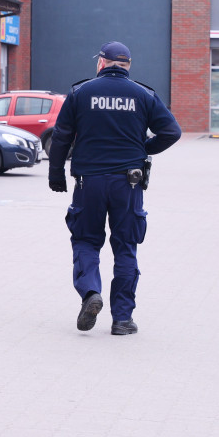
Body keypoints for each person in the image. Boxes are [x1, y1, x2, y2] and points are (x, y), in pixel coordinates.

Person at [48, 41, 182, 336]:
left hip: (89, 182)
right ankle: (122, 319)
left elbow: (61, 136)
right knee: (125, 247)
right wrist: (144, 148)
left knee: (85, 240)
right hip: (128, 183)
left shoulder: (81, 92)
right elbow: (172, 132)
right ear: (128, 65)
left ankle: (90, 293)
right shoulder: (144, 95)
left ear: (102, 63)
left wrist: (56, 174)